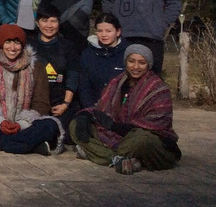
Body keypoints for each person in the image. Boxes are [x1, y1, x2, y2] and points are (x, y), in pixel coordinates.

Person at [70, 44, 181, 174]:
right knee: (75, 125)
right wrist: (87, 116)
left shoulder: (158, 89)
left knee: (141, 140)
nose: (135, 67)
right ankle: (121, 159)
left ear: (148, 65)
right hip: (115, 135)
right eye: (131, 61)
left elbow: (158, 124)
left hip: (146, 139)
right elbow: (100, 110)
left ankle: (100, 154)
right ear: (126, 62)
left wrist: (117, 127)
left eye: (141, 63)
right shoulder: (116, 82)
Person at [0, 24, 62, 155]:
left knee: (50, 126)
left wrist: (21, 124)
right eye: (8, 42)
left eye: (17, 43)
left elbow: (42, 104)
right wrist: (1, 121)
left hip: (25, 125)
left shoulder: (37, 68)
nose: (12, 48)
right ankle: (30, 146)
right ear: (1, 44)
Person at [28, 4, 81, 132]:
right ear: (37, 23)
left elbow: (73, 76)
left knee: (59, 130)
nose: (49, 25)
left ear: (59, 22)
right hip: (35, 102)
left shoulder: (68, 46)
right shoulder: (29, 45)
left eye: (53, 21)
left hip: (60, 102)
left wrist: (65, 104)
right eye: (45, 21)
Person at [75, 14, 128, 110]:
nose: (104, 35)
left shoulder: (128, 53)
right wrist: (91, 110)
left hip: (122, 110)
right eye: (100, 31)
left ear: (118, 32)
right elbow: (84, 88)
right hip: (94, 108)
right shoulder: (87, 54)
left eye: (108, 31)